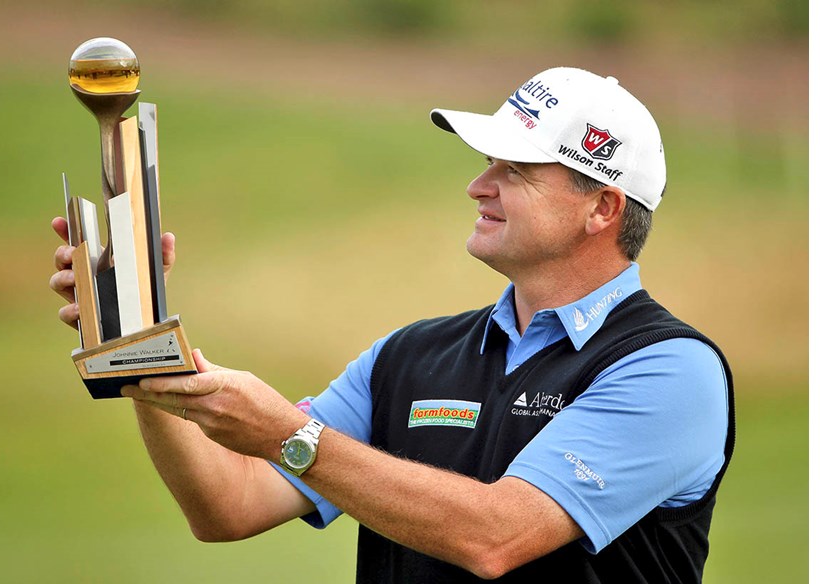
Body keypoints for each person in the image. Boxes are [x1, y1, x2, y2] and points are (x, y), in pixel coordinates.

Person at [50, 66, 734, 583]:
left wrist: (290, 435)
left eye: (516, 171)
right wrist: (141, 355)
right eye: (485, 162)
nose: (479, 185)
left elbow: (496, 537)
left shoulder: (672, 370)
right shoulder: (408, 357)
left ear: (603, 208)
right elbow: (229, 506)